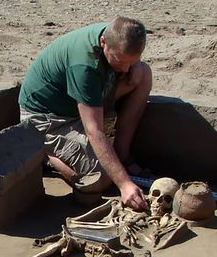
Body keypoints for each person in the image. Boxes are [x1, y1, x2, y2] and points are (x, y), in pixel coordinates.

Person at [19, 16, 151, 211]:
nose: (125, 69)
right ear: (103, 42)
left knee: (143, 74)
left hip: (79, 101)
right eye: (120, 60)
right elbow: (94, 131)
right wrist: (124, 184)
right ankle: (45, 152)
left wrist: (135, 65)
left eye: (131, 61)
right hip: (47, 118)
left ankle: (122, 152)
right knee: (101, 178)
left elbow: (127, 63)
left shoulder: (117, 34)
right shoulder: (84, 65)